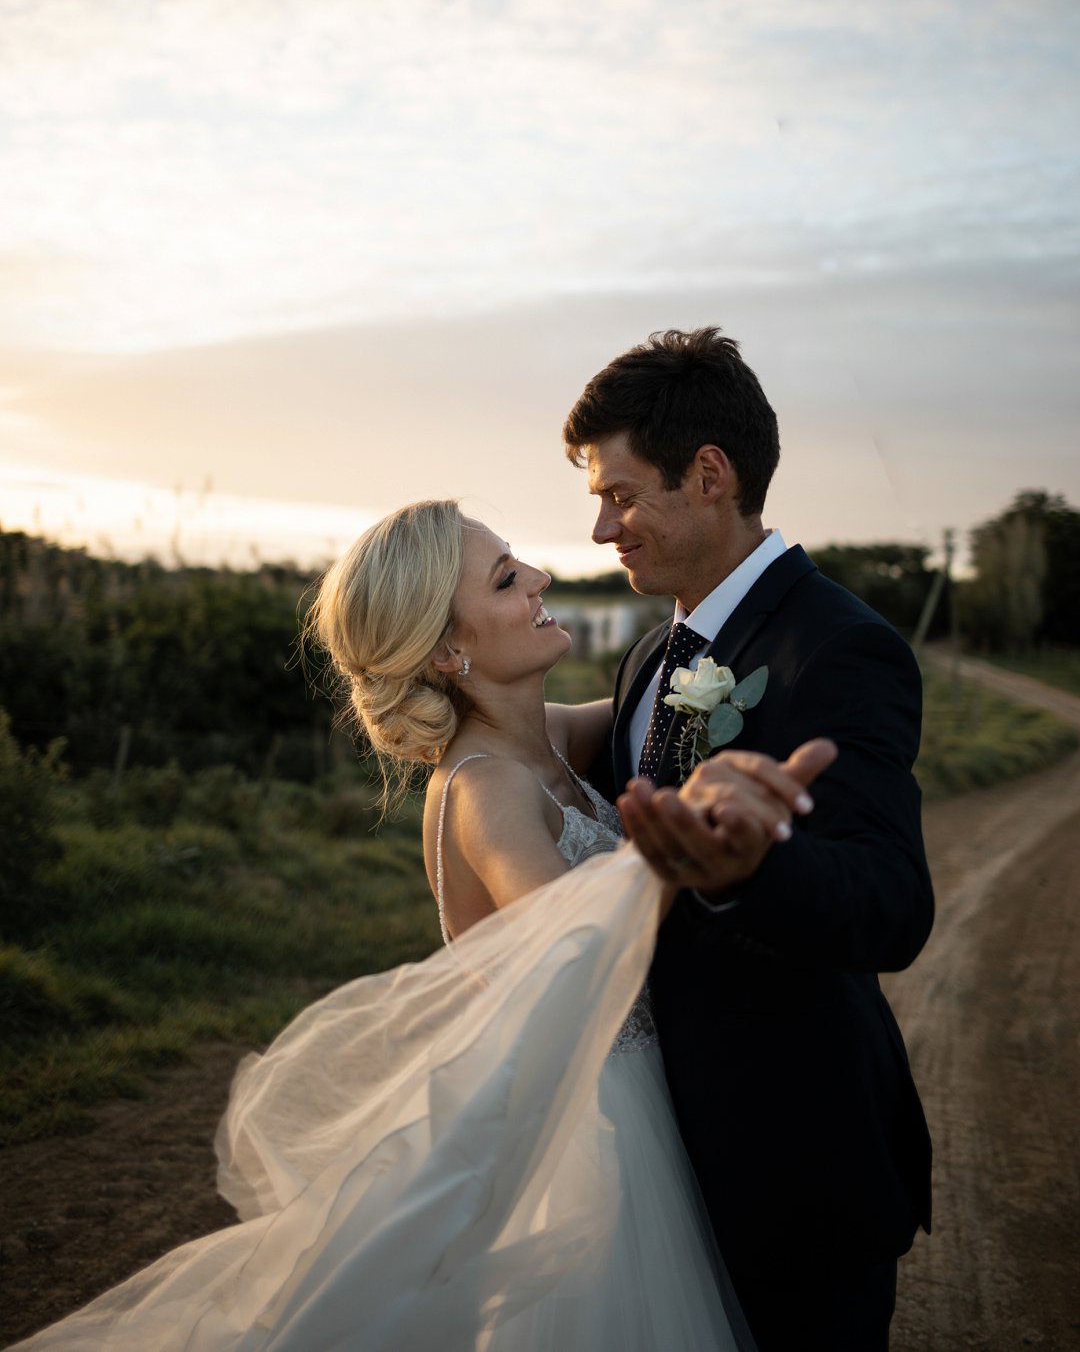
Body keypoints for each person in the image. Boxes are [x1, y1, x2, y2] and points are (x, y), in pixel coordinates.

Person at [11, 498, 835, 1352]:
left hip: (642, 1091)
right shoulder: (486, 789)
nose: (543, 579)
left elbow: (666, 717)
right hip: (596, 1129)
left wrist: (727, 638)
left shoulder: (544, 742)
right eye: (509, 579)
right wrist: (688, 842)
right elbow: (575, 941)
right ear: (449, 649)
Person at [562, 326, 935, 1352]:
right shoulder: (652, 655)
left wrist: (753, 871)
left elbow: (893, 901)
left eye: (621, 494)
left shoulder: (841, 647)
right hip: (660, 1178)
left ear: (710, 475)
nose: (603, 529)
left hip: (794, 1173)